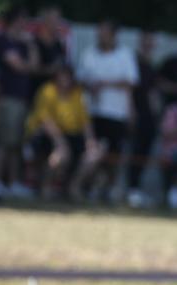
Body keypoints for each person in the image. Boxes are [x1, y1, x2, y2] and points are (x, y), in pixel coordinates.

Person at [76, 20, 138, 203]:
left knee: (113, 156)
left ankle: (107, 189)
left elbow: (131, 82)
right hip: (92, 112)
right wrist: (91, 86)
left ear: (114, 35)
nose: (101, 36)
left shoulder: (125, 55)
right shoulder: (89, 54)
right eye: (100, 33)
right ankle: (88, 187)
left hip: (117, 113)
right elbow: (79, 79)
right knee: (93, 152)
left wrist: (105, 84)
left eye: (105, 33)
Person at [26, 66, 102, 201]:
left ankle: (74, 187)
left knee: (93, 154)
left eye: (67, 77)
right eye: (62, 76)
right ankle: (45, 187)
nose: (64, 80)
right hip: (47, 136)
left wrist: (90, 141)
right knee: (61, 155)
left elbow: (85, 121)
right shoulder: (47, 91)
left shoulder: (77, 93)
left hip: (72, 135)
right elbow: (44, 119)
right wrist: (59, 141)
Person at [0, 7, 38, 198]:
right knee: (4, 142)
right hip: (7, 98)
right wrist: (27, 65)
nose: (25, 24)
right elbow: (18, 66)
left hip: (22, 99)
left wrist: (31, 44)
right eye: (22, 20)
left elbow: (34, 66)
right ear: (14, 20)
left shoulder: (24, 43)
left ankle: (12, 183)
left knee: (16, 143)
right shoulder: (2, 40)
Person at [126, 31, 160, 207]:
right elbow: (130, 89)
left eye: (151, 42)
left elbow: (153, 93)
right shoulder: (133, 62)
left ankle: (136, 189)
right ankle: (131, 189)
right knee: (135, 152)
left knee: (144, 153)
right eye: (146, 41)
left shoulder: (152, 65)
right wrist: (131, 112)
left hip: (149, 117)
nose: (149, 45)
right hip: (137, 115)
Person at [29, 6, 66, 101]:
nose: (58, 23)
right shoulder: (35, 43)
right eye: (55, 19)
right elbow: (33, 69)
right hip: (38, 94)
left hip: (55, 98)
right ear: (46, 21)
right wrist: (51, 69)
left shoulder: (58, 44)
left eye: (59, 19)